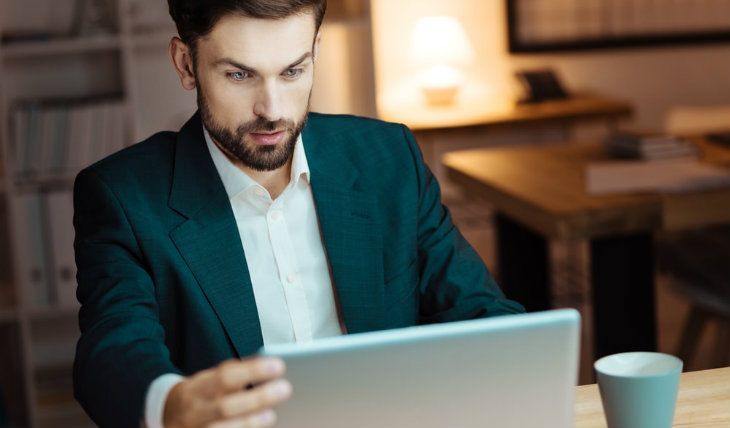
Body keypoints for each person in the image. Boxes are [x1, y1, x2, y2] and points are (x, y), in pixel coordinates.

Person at [72, 1, 525, 427]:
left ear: (315, 52)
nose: (272, 110)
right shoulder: (123, 196)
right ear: (186, 64)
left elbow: (479, 312)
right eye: (239, 75)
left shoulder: (388, 159)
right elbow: (112, 349)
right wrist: (172, 405)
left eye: (293, 71)